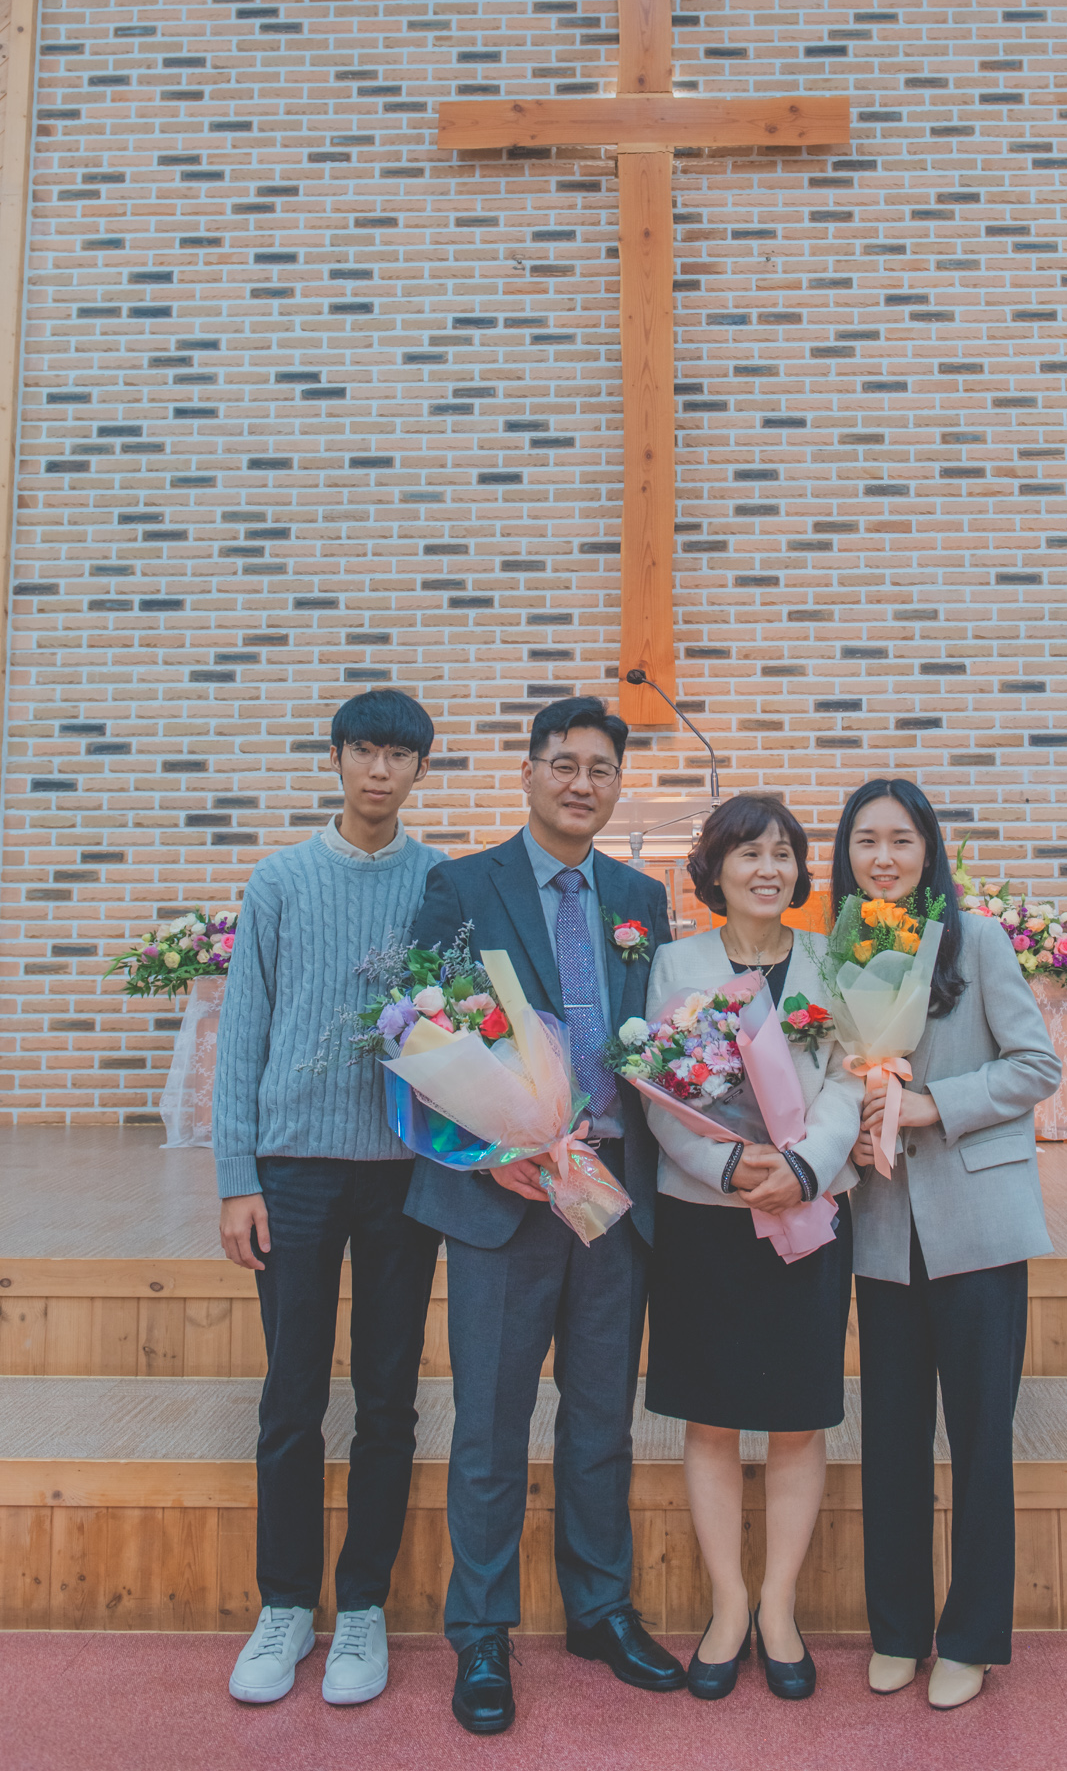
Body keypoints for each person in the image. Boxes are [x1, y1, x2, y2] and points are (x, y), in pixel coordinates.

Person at [403, 695, 685, 1735]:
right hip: (507, 1195)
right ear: (527, 773)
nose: (581, 782)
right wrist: (495, 1151)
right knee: (489, 1422)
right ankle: (480, 1629)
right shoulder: (461, 883)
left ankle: (599, 1608)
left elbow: (658, 1038)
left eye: (600, 768)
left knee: (601, 1416)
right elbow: (421, 1031)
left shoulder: (640, 896)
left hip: (609, 1191)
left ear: (617, 786)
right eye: (562, 763)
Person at [213, 689, 448, 1708]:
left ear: (420, 769)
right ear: (338, 757)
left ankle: (362, 1605)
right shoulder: (280, 879)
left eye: (399, 755)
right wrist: (237, 1179)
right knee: (292, 1393)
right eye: (364, 750)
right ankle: (283, 1603)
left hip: (401, 1168)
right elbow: (243, 1035)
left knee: (388, 1394)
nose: (379, 770)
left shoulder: (439, 880)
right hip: (295, 1171)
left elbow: (463, 1020)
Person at [834, 778, 1061, 1711]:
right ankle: (896, 1631)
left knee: (977, 1440)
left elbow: (1035, 1066)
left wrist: (933, 1103)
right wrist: (842, 1136)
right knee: (890, 1439)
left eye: (900, 839)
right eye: (865, 841)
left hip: (977, 1224)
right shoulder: (834, 951)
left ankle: (969, 1637)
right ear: (845, 854)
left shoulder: (978, 941)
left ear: (928, 848)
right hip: (884, 1228)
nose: (882, 857)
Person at [641, 794, 861, 1703]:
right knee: (711, 1416)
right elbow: (656, 1088)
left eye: (782, 854)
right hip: (705, 1214)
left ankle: (778, 1607)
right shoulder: (675, 963)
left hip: (807, 1211)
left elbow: (851, 1078)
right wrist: (728, 1166)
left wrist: (804, 1167)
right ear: (715, 869)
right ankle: (727, 1605)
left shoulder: (829, 961)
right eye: (747, 853)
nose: (767, 869)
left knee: (799, 1415)